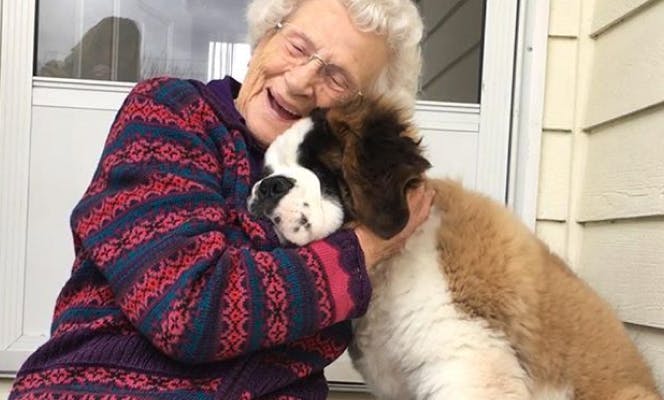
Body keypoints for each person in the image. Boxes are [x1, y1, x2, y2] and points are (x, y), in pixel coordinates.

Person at [10, 0, 434, 398]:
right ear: (265, 37)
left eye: (337, 77)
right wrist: (362, 253)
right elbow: (188, 311)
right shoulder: (172, 113)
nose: (302, 80)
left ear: (361, 110)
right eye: (297, 46)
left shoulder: (342, 183)